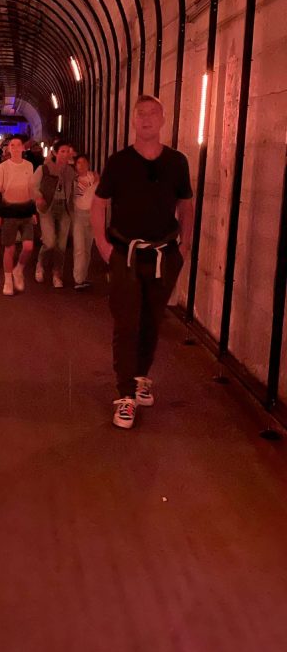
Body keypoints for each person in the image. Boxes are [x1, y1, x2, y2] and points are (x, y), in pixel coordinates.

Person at [91, 94, 194, 430]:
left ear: (163, 119)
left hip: (164, 255)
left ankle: (140, 377)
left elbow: (186, 204)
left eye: (153, 113)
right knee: (126, 322)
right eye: (141, 114)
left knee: (152, 320)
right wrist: (103, 245)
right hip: (125, 253)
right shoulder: (119, 162)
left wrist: (185, 245)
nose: (147, 119)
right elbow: (99, 203)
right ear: (133, 121)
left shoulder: (177, 162)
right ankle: (124, 396)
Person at [0, 135, 37, 296]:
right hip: (9, 211)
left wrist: (33, 211)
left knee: (28, 246)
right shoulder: (4, 167)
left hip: (25, 210)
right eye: (12, 145)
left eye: (18, 145)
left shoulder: (29, 166)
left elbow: (31, 189)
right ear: (8, 148)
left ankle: (19, 269)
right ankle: (8, 280)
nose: (16, 148)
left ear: (23, 148)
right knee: (9, 248)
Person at [30, 138, 76, 288]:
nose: (65, 154)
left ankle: (57, 273)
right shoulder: (45, 168)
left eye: (67, 151)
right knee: (49, 242)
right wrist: (38, 197)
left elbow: (78, 186)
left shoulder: (70, 171)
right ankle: (40, 265)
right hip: (48, 207)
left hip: (64, 208)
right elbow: (33, 186)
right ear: (55, 152)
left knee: (61, 245)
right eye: (62, 151)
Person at [72, 152, 99, 290]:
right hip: (78, 215)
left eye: (83, 162)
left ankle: (83, 277)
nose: (81, 165)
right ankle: (78, 279)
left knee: (88, 248)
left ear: (88, 164)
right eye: (78, 163)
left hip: (92, 215)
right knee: (79, 248)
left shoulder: (94, 176)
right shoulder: (74, 181)